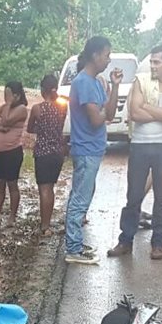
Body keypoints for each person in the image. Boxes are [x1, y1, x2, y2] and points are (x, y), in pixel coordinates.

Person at [108, 45, 162, 262]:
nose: (152, 66)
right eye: (151, 61)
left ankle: (158, 243)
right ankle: (126, 240)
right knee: (133, 195)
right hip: (141, 145)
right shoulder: (140, 82)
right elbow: (134, 112)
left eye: (157, 62)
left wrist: (150, 108)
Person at [64, 35, 122, 265]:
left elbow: (109, 112)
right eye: (107, 55)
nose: (109, 60)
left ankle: (75, 243)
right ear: (95, 55)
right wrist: (104, 111)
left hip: (93, 149)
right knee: (79, 200)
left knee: (83, 197)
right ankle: (73, 248)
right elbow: (98, 120)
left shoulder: (97, 82)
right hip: (85, 149)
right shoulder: (83, 83)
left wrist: (115, 86)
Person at [26, 73, 68, 236]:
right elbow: (60, 127)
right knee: (51, 188)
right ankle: (47, 222)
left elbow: (30, 128)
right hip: (57, 152)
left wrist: (41, 130)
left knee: (44, 189)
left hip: (43, 152)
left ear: (43, 90)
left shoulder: (37, 108)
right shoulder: (62, 107)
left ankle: (44, 226)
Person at [0, 80, 29, 228]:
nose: (6, 97)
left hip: (12, 152)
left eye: (9, 94)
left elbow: (5, 120)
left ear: (17, 96)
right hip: (0, 153)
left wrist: (9, 104)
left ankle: (12, 217)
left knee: (12, 185)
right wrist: (0, 128)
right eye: (5, 94)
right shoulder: (3, 107)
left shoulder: (21, 109)